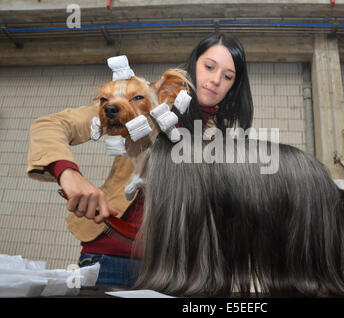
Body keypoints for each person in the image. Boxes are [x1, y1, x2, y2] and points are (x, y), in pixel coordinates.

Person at [26, 32, 254, 288]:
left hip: (178, 267)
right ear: (194, 65)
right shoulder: (142, 99)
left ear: (234, 86)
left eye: (228, 77)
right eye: (209, 67)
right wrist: (68, 173)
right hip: (110, 255)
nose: (215, 80)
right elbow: (49, 125)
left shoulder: (222, 141)